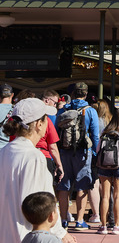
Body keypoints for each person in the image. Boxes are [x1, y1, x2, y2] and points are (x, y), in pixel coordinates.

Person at [0, 98, 74, 243]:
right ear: (39, 124)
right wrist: (60, 233)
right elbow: (40, 204)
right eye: (46, 119)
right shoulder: (34, 157)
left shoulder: (4, 152)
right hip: (26, 235)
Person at [56, 81, 100, 232]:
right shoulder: (90, 110)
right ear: (86, 94)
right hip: (83, 152)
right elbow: (95, 135)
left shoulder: (64, 109)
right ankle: (80, 221)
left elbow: (57, 130)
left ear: (73, 93)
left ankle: (63, 220)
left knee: (64, 185)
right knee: (82, 185)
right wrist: (95, 152)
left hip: (64, 151)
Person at [96, 108, 119, 235]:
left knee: (105, 196)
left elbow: (97, 150)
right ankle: (117, 226)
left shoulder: (105, 131)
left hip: (104, 166)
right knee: (118, 196)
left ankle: (103, 226)